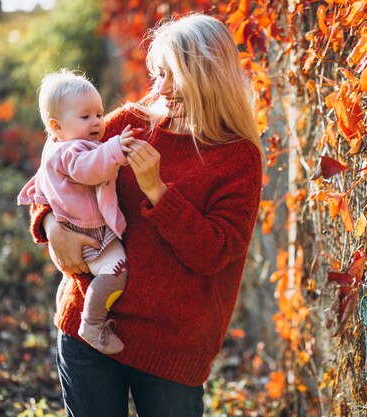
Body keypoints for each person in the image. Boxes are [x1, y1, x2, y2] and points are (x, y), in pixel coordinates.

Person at [24, 13, 263, 417]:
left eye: (175, 76)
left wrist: (157, 190)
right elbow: (53, 171)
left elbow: (214, 253)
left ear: (208, 75)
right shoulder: (131, 124)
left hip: (171, 349)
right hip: (87, 325)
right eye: (158, 74)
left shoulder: (237, 157)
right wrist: (50, 225)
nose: (162, 89)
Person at [18, 70, 137, 355]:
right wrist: (115, 149)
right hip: (90, 233)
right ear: (56, 126)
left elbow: (41, 184)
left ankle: (68, 299)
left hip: (77, 228)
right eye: (85, 117)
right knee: (115, 273)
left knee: (82, 277)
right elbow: (89, 169)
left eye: (99, 113)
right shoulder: (71, 151)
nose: (97, 122)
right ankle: (92, 322)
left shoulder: (54, 147)